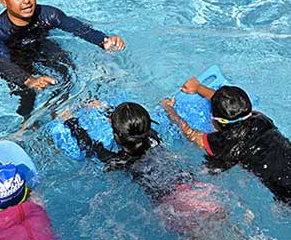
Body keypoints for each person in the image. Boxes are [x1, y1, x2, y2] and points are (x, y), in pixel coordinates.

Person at [60, 101, 225, 235]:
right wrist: (107, 109)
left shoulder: (120, 160)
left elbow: (88, 146)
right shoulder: (153, 137)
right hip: (193, 188)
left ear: (114, 130)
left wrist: (71, 121)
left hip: (171, 204)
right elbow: (135, 126)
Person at [0, 0, 125, 118]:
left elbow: (79, 29)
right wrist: (28, 80)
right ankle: (29, 123)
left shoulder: (48, 15)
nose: (26, 1)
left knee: (67, 71)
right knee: (26, 95)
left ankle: (68, 108)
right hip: (14, 57)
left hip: (42, 47)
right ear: (4, 1)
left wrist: (104, 40)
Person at [160, 77, 291, 203]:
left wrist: (169, 109)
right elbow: (236, 111)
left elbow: (191, 134)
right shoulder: (261, 119)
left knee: (211, 167)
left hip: (285, 191)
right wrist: (199, 87)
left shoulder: (223, 142)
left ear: (215, 121)